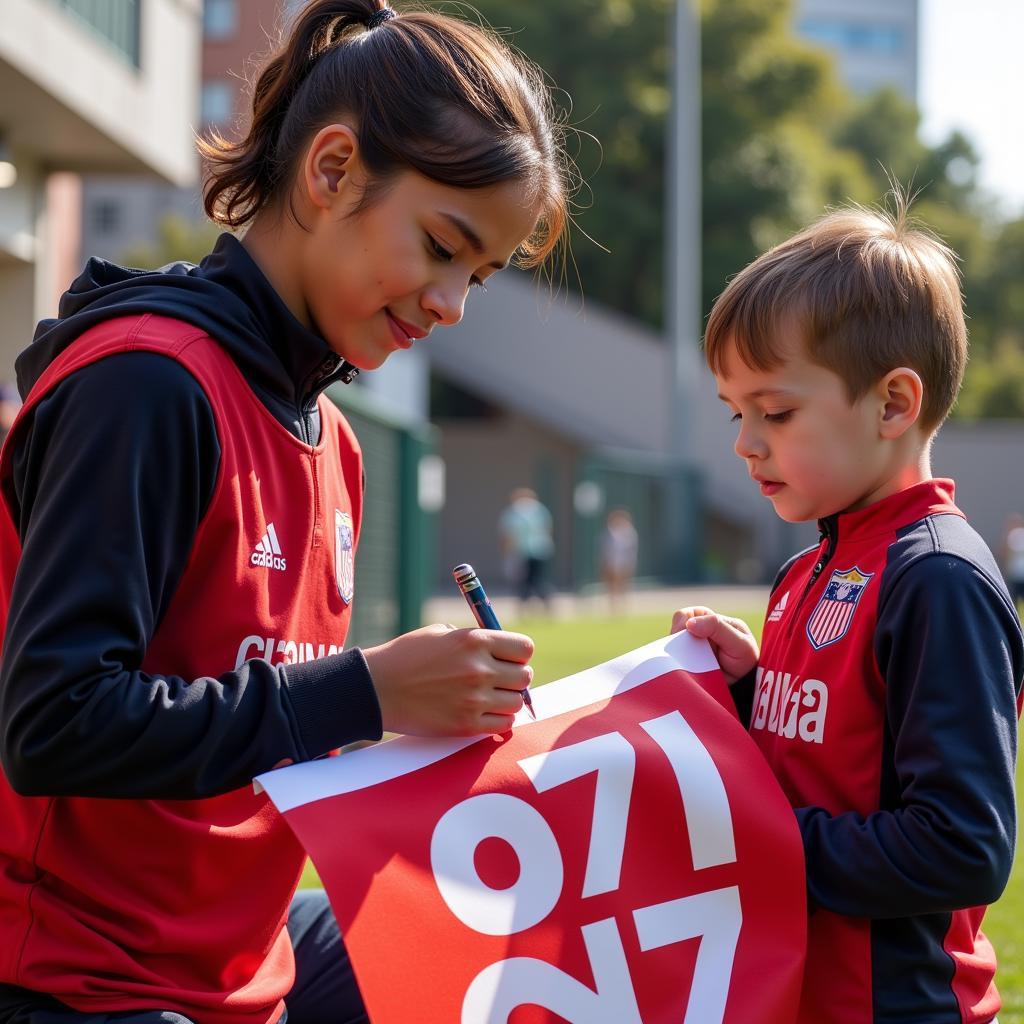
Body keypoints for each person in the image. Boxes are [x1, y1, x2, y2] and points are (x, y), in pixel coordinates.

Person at [0, 2, 572, 1022]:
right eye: (443, 246)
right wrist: (361, 694)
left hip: (236, 954)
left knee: (532, 939)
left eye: (477, 275)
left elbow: (254, 722)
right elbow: (54, 722)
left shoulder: (334, 441)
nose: (452, 305)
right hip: (76, 975)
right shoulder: (148, 385)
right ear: (331, 171)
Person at [671, 196, 1024, 1023]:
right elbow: (842, 748)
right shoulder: (807, 568)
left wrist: (756, 846)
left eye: (777, 411)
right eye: (738, 413)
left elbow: (961, 845)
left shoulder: (939, 580)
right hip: (797, 992)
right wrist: (752, 690)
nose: (745, 442)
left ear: (895, 404)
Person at [498, 486, 554, 610]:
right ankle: (544, 604)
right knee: (537, 579)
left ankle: (525, 606)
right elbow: (548, 529)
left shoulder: (514, 511)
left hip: (521, 551)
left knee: (524, 582)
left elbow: (509, 534)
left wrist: (506, 552)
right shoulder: (540, 509)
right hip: (540, 550)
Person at [600, 506, 638, 613]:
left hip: (624, 563)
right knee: (611, 586)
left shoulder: (629, 532)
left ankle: (622, 607)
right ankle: (614, 607)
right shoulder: (610, 532)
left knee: (623, 585)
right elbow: (605, 550)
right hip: (612, 563)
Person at [1003, 512, 1024, 613]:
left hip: (1017, 573)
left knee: (1016, 598)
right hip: (1017, 573)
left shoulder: (1013, 535)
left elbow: (1007, 553)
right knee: (1016, 597)